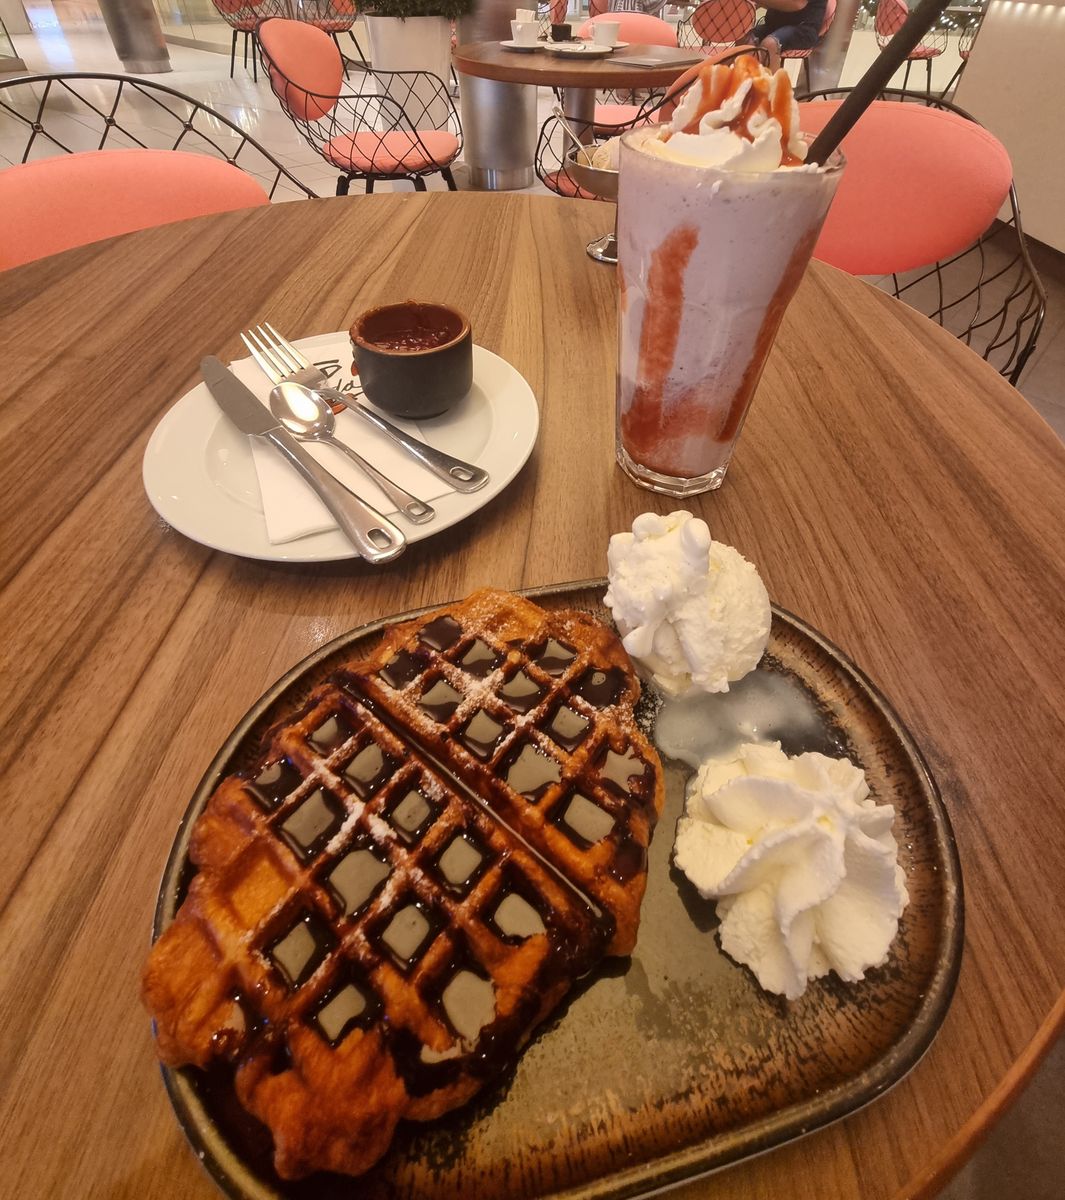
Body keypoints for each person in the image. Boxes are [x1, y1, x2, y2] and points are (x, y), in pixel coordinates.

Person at [746, 0, 828, 71]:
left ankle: (773, 84)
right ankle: (746, 80)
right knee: (745, 37)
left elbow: (797, 4)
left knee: (770, 44)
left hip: (803, 28)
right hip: (775, 24)